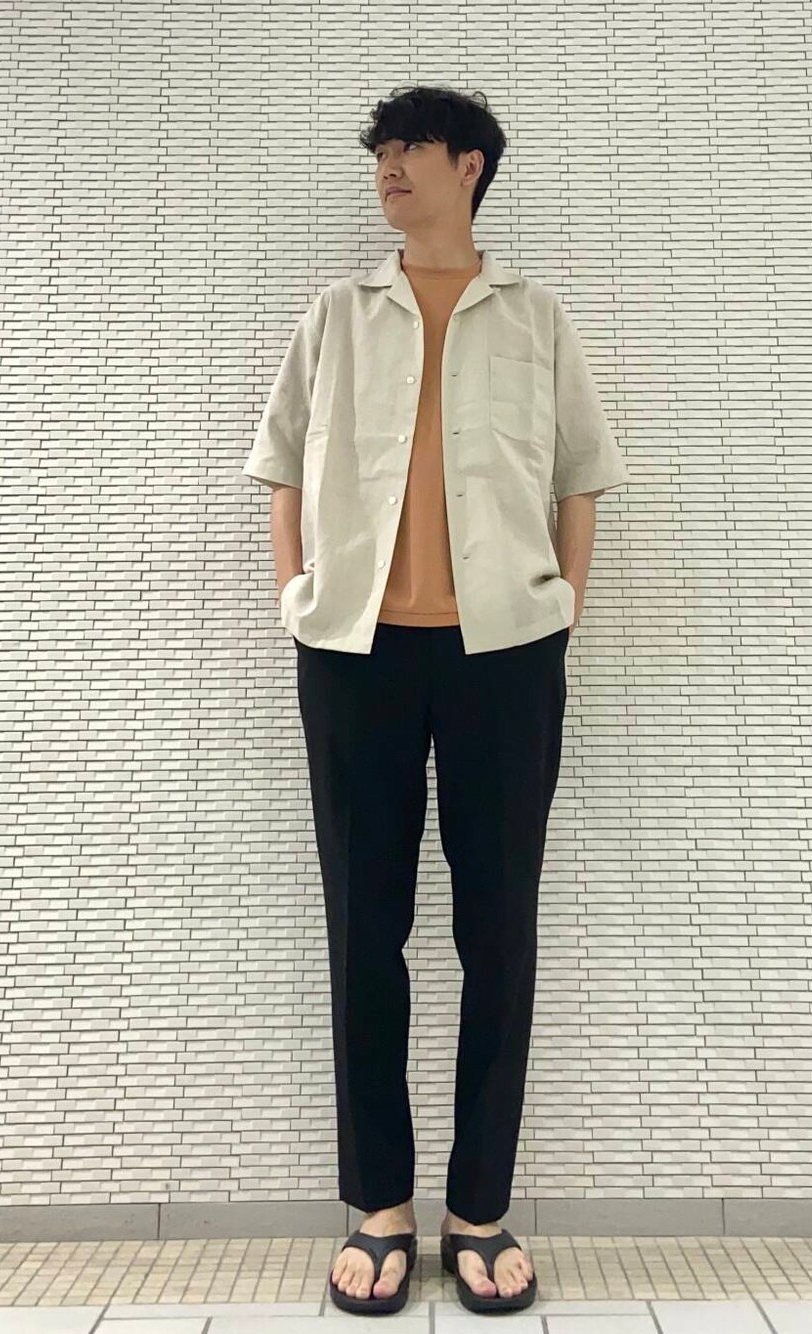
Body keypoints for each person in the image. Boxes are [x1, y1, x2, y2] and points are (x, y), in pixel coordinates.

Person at [243, 83, 630, 1317]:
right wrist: (296, 594)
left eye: (408, 148)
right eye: (380, 152)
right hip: (352, 652)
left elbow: (580, 474)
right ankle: (379, 1205)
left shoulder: (535, 317)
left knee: (497, 928)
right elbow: (280, 462)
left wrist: (562, 605)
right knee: (364, 926)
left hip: (504, 654)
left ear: (469, 166)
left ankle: (478, 1207)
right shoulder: (336, 314)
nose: (387, 169)